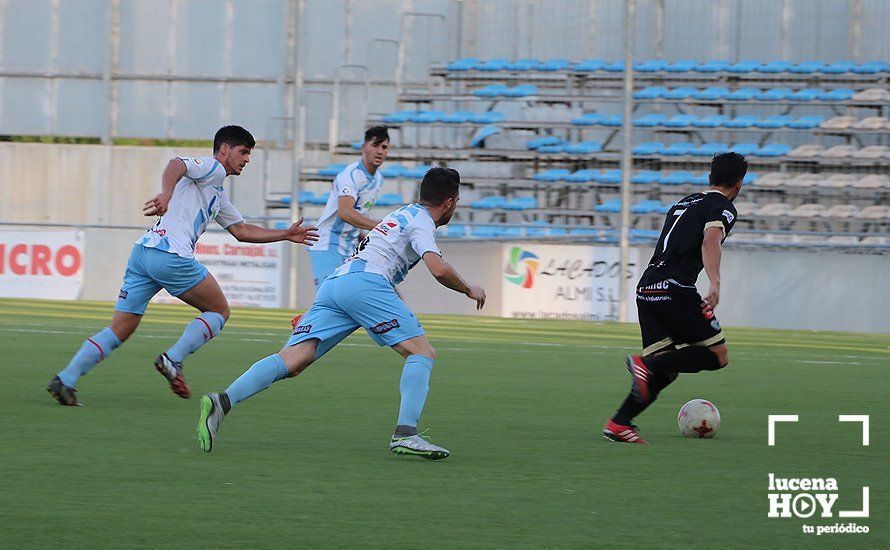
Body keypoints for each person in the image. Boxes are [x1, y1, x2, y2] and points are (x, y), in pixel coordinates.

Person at [196, 167, 485, 460]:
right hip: (366, 284)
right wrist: (468, 288)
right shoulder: (422, 222)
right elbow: (438, 268)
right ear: (449, 203)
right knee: (422, 352)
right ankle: (406, 435)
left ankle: (223, 401)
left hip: (337, 282)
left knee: (292, 361)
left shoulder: (402, 213)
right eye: (457, 201)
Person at [47, 125, 319, 406]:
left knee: (120, 328)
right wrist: (165, 193)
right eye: (243, 152)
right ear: (224, 149)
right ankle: (173, 359)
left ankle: (65, 380)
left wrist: (285, 234)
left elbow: (241, 230)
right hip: (171, 256)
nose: (247, 159)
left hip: (144, 253)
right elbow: (176, 163)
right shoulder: (212, 168)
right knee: (219, 311)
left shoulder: (217, 192)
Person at [602, 152, 746, 444]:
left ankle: (619, 423)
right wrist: (715, 283)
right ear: (740, 184)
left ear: (709, 177)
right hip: (674, 288)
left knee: (667, 367)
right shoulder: (723, 206)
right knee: (718, 356)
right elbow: (710, 239)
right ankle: (646, 365)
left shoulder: (683, 203)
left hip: (647, 287)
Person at [308, 125, 389, 289]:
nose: (380, 151)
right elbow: (345, 213)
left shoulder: (378, 179)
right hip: (329, 244)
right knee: (331, 303)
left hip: (349, 248)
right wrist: (379, 227)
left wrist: (368, 241)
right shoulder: (351, 176)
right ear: (364, 147)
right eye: (375, 145)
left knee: (348, 302)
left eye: (384, 147)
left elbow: (358, 215)